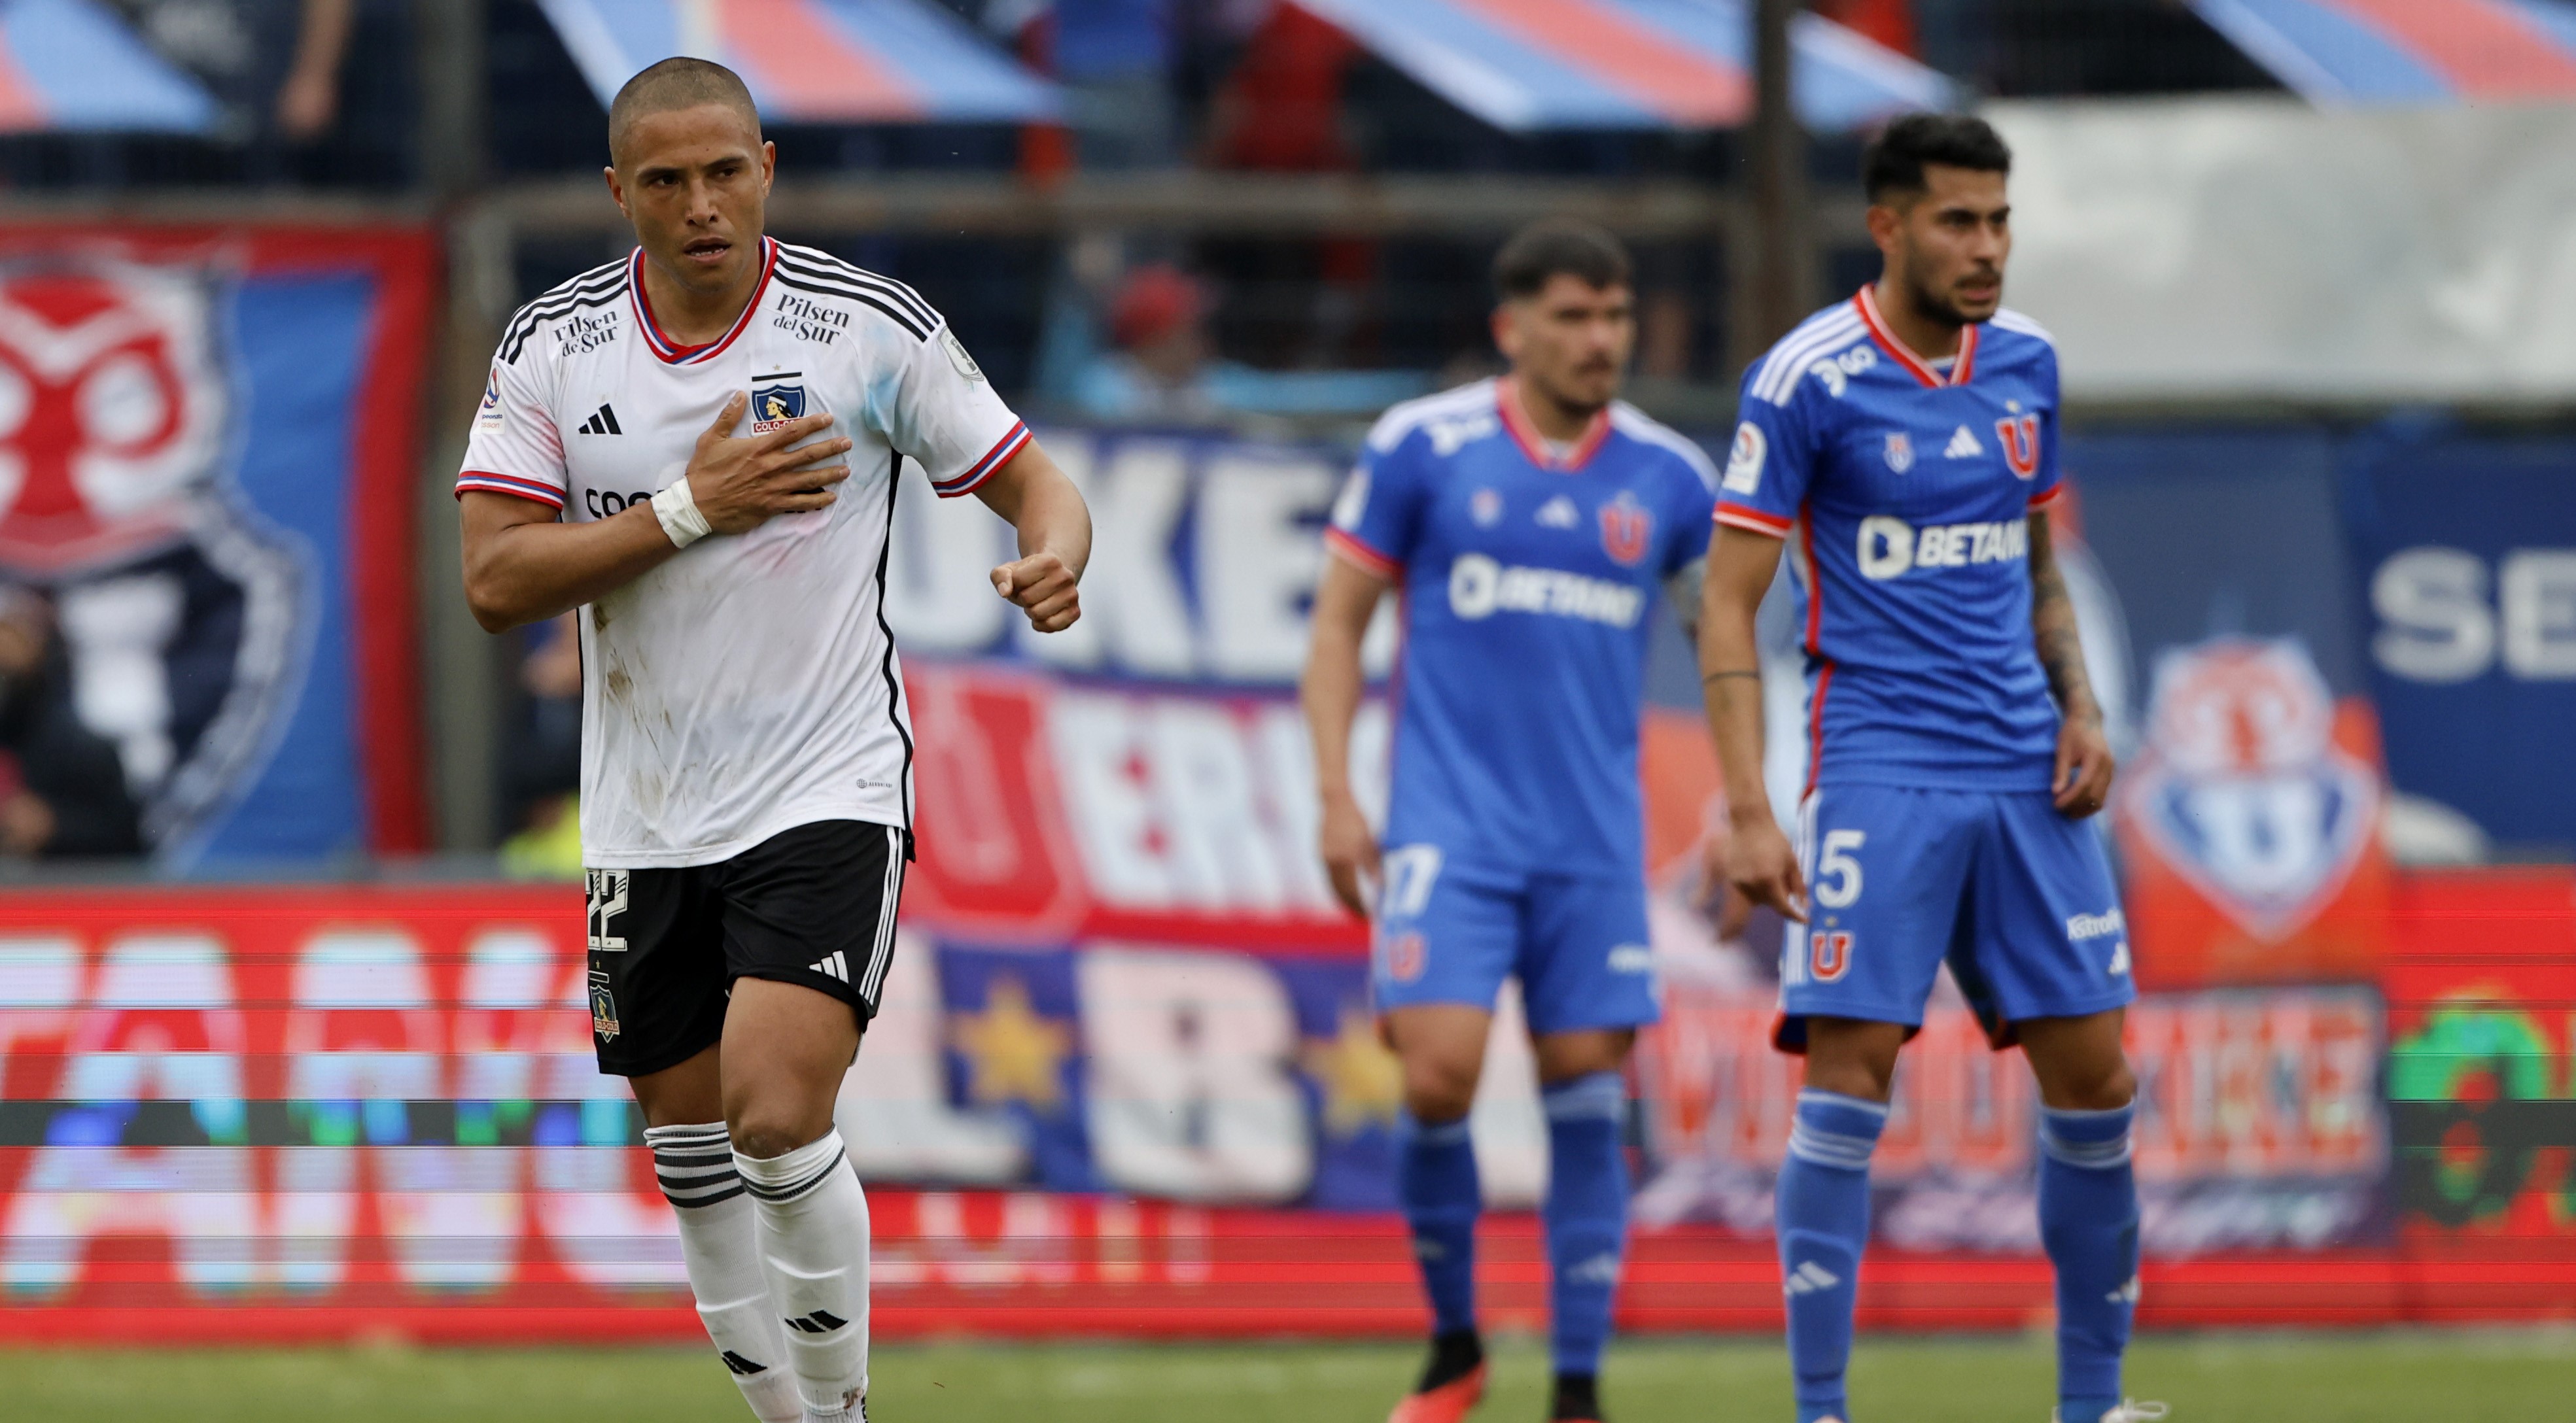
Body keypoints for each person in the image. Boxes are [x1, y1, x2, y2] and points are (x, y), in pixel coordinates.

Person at [454, 58, 1090, 1423]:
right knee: (689, 1147)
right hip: (644, 800)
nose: (701, 205)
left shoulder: (866, 328)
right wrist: (691, 507)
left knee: (774, 1107)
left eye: (725, 171)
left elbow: (1036, 478)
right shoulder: (552, 348)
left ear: (768, 168)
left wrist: (1051, 553)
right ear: (620, 193)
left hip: (826, 779)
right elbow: (495, 579)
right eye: (667, 181)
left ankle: (843, 1413)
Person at [1696, 114, 2158, 1423]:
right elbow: (1728, 603)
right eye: (1957, 220)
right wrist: (1749, 806)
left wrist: (2080, 704)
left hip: (2027, 770)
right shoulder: (1806, 379)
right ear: (1886, 225)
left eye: (2000, 219)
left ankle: (2092, 1402)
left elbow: (2032, 555)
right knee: (1847, 1077)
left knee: (2097, 1082)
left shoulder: (2026, 363)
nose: (1986, 247)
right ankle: (1822, 1409)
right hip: (1882, 769)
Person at [1302, 220, 1719, 1423]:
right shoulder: (1421, 449)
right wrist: (1338, 793)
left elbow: (1724, 642)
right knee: (1434, 1074)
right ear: (1513, 328)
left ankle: (1578, 1388)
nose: (1602, 340)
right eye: (1577, 317)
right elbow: (1337, 626)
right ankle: (1453, 1344)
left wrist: (1748, 805)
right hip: (1450, 831)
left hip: (1591, 846)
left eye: (1617, 316)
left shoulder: (1667, 476)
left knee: (1586, 1084)